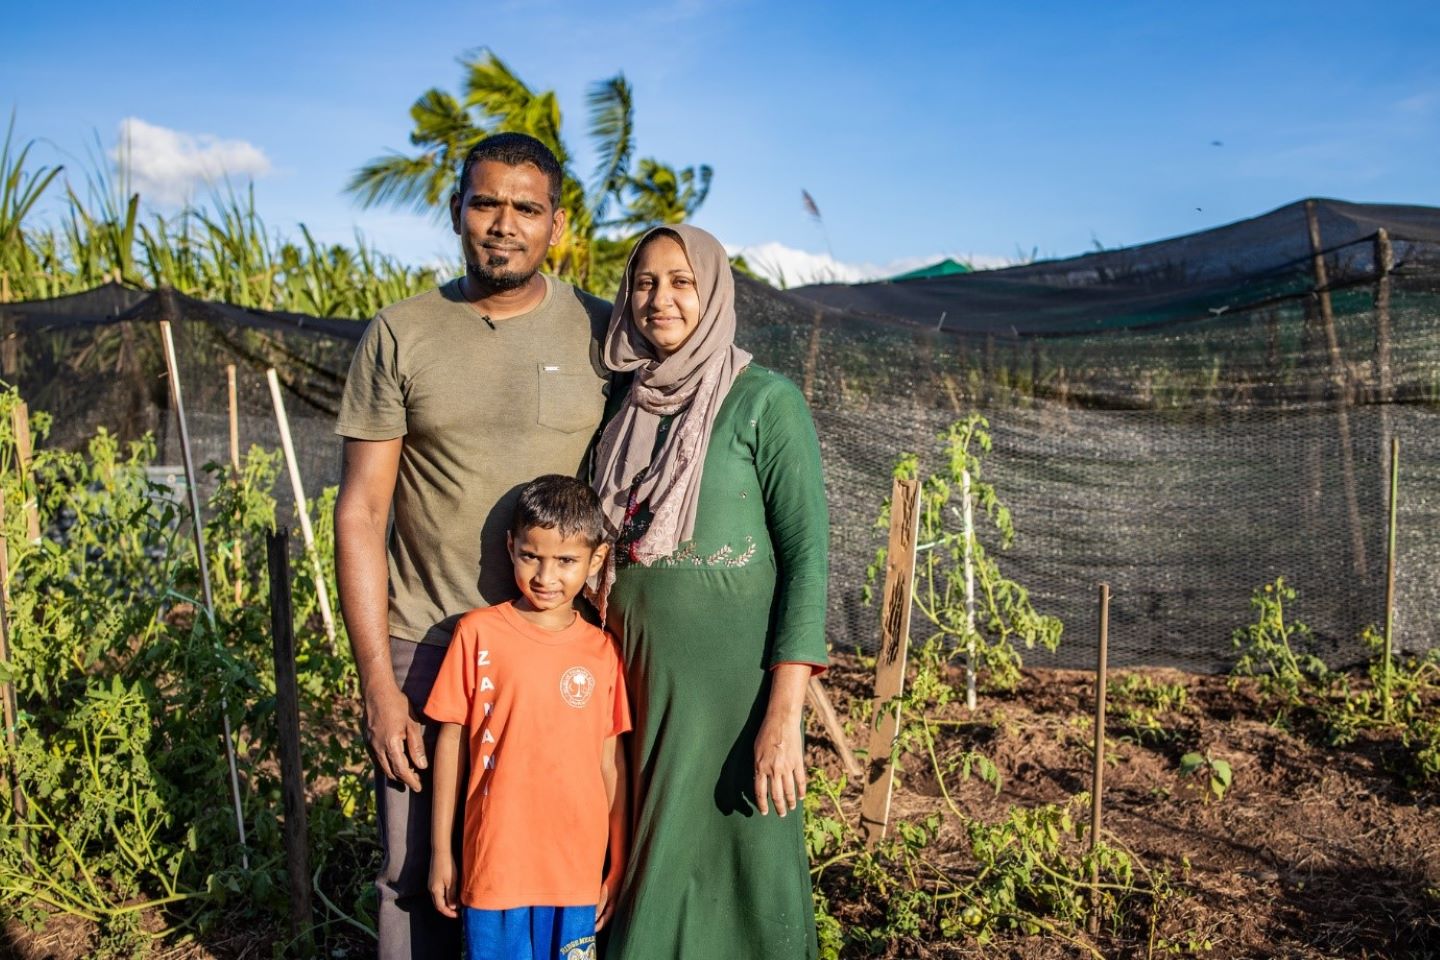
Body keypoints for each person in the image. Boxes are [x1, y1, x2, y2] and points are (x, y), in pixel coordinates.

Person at [334, 132, 612, 958]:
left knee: (553, 864)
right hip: (427, 642)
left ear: (555, 225)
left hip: (553, 658)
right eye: (486, 202)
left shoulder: (600, 336)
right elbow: (361, 512)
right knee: (417, 872)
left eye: (526, 208)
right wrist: (378, 683)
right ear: (457, 210)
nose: (504, 224)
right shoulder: (400, 334)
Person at [592, 224, 829, 958]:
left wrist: (783, 717)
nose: (660, 299)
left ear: (714, 291)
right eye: (644, 282)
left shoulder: (765, 400)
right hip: (637, 685)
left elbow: (806, 559)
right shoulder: (621, 407)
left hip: (734, 698)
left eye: (681, 281)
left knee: (745, 873)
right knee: (645, 863)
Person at [425, 474, 629, 960]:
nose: (546, 576)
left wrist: (616, 865)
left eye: (566, 561)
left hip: (576, 871)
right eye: (531, 556)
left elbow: (610, 766)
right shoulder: (477, 635)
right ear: (510, 545)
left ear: (595, 560)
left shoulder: (602, 651)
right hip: (495, 865)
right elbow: (451, 743)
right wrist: (440, 851)